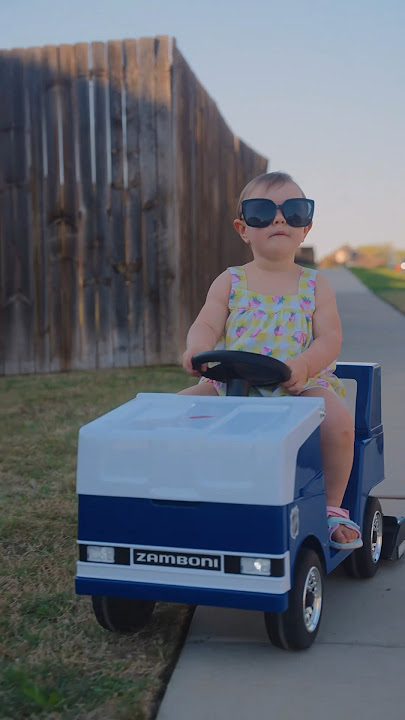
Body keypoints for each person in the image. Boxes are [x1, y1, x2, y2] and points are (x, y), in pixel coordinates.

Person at [179, 171, 362, 550]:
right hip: (230, 386)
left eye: (293, 211)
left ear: (305, 227)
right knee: (176, 412)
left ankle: (331, 510)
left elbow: (330, 338)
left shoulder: (315, 285)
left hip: (298, 385)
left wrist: (306, 365)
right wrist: (195, 351)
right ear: (243, 228)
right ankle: (183, 494)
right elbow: (207, 323)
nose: (279, 219)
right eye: (263, 211)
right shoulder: (230, 281)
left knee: (339, 423)